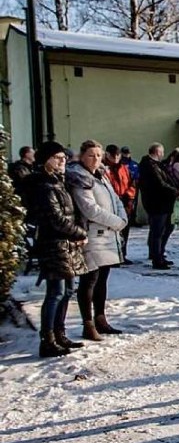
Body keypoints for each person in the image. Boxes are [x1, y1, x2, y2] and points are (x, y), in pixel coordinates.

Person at [28, 141, 88, 357]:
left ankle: (60, 332)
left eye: (64, 158)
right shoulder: (44, 186)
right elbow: (55, 218)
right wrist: (79, 233)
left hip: (66, 244)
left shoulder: (59, 182)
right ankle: (48, 339)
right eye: (57, 158)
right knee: (56, 292)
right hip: (53, 244)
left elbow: (70, 213)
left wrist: (77, 232)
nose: (63, 161)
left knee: (69, 290)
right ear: (46, 160)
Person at [66, 140, 128, 342]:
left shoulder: (101, 175)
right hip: (92, 234)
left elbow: (115, 199)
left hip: (108, 234)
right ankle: (88, 324)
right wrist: (116, 221)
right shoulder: (79, 177)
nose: (96, 159)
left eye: (99, 155)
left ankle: (101, 318)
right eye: (91, 155)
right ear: (82, 156)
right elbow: (90, 208)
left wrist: (122, 217)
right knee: (89, 280)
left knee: (103, 279)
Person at [138, 143, 179, 269]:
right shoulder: (149, 166)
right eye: (162, 152)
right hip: (156, 204)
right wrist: (176, 192)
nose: (163, 155)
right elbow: (160, 184)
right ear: (157, 152)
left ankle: (159, 254)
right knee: (158, 232)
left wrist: (174, 153)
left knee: (166, 228)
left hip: (162, 204)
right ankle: (157, 259)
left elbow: (165, 166)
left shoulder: (155, 164)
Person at [103, 144, 136, 264]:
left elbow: (132, 183)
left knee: (124, 230)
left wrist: (129, 195)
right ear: (108, 155)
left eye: (118, 155)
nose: (116, 158)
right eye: (113, 155)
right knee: (112, 231)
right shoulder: (104, 169)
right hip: (110, 202)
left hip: (125, 201)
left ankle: (122, 254)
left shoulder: (124, 168)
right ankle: (112, 256)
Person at [120, 146, 141, 226]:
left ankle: (132, 220)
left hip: (133, 187)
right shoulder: (119, 164)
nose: (126, 155)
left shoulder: (134, 164)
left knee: (132, 204)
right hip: (122, 188)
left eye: (127, 153)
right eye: (124, 153)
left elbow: (138, 176)